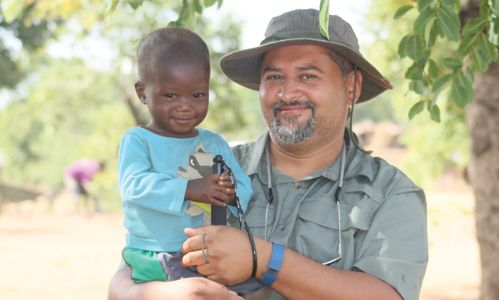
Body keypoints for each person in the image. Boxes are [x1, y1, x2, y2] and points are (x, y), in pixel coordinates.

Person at [108, 9, 428, 300]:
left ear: (352, 88)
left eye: (308, 76)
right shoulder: (213, 165)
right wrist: (161, 294)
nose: (286, 93)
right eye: (274, 77)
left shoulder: (389, 193)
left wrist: (263, 259)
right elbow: (127, 274)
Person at [117, 27, 255, 293]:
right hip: (156, 253)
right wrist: (191, 189)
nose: (185, 106)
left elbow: (242, 186)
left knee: (258, 288)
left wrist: (229, 192)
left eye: (197, 95)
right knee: (195, 293)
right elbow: (134, 185)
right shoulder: (138, 140)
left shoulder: (213, 143)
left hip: (208, 250)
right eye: (170, 95)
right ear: (142, 92)